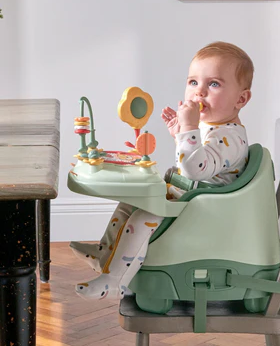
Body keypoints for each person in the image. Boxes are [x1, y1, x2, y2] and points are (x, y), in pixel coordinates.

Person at [72, 41, 254, 300]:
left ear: (241, 98)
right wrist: (180, 133)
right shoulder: (213, 128)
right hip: (186, 199)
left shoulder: (230, 139)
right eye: (193, 82)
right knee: (128, 204)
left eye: (213, 84)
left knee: (141, 218)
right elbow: (194, 159)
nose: (198, 93)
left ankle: (115, 281)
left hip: (203, 212)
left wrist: (188, 128)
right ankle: (106, 254)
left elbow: (195, 169)